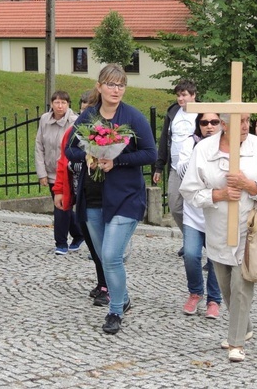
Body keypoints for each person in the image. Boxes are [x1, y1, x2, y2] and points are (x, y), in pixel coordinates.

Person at [180, 111, 257, 362]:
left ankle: (236, 343)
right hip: (217, 230)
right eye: (239, 122)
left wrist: (249, 186)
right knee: (226, 286)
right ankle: (244, 327)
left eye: (248, 120)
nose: (246, 126)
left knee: (240, 285)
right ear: (224, 125)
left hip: (251, 229)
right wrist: (218, 194)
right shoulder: (204, 149)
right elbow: (189, 191)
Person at [65, 64, 157, 335]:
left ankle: (115, 310)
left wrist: (117, 160)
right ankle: (123, 297)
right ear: (100, 86)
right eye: (111, 84)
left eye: (121, 85)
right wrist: (88, 155)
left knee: (111, 255)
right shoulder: (88, 116)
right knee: (106, 258)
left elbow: (150, 154)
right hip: (92, 196)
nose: (116, 90)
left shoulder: (133, 117)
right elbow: (69, 149)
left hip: (125, 196)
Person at [54, 91, 109, 306]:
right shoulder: (72, 133)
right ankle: (100, 280)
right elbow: (62, 162)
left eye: (91, 111)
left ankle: (107, 285)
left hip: (100, 195)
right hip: (80, 194)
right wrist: (60, 190)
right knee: (92, 243)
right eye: (84, 110)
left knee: (103, 244)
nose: (86, 116)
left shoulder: (104, 136)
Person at [177, 112, 223, 319]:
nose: (209, 126)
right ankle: (195, 292)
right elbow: (181, 170)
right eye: (204, 122)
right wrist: (199, 152)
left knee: (215, 258)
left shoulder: (226, 146)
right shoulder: (190, 144)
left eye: (214, 122)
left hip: (216, 211)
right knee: (191, 254)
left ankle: (214, 299)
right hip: (194, 211)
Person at [153, 79, 198, 252]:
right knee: (175, 205)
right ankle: (190, 238)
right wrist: (159, 166)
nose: (180, 99)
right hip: (175, 167)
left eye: (184, 95)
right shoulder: (173, 112)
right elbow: (165, 139)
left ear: (193, 95)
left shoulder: (202, 114)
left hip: (196, 169)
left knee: (198, 209)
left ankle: (200, 245)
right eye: (178, 95)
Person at [36, 90, 81, 255]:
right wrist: (42, 173)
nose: (60, 106)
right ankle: (79, 234)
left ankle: (61, 243)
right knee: (63, 207)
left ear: (68, 104)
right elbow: (39, 145)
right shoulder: (44, 120)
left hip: (67, 171)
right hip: (51, 170)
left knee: (61, 208)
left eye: (63, 102)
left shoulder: (75, 121)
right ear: (51, 104)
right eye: (57, 102)